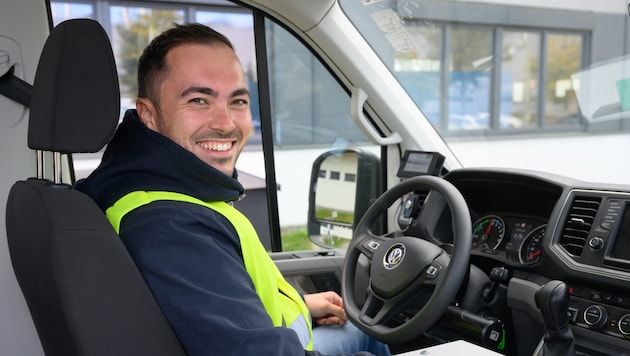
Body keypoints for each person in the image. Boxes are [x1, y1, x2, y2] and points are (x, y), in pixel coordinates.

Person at [76, 22, 391, 356]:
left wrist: (300, 303)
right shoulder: (172, 226)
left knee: (361, 328)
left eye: (238, 101)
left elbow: (218, 299)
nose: (225, 123)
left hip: (275, 334)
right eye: (199, 100)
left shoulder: (166, 190)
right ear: (149, 115)